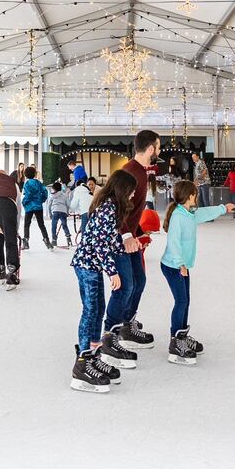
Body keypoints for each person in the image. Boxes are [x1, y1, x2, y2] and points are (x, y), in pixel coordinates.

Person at [70, 170, 138, 393]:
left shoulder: (112, 208)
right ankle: (83, 363)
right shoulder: (107, 208)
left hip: (92, 266)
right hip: (87, 265)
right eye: (130, 191)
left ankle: (93, 354)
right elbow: (100, 245)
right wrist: (113, 272)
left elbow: (110, 241)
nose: (133, 195)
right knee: (91, 310)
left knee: (98, 310)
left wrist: (129, 245)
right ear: (122, 189)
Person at [161, 180, 235, 365]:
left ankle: (182, 336)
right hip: (173, 266)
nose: (197, 196)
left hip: (181, 265)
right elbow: (174, 242)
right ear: (189, 196)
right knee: (181, 301)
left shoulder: (189, 213)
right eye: (195, 193)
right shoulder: (178, 216)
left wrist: (223, 208)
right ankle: (175, 343)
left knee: (185, 301)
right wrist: (180, 264)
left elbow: (204, 213)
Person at [100, 129, 161, 358]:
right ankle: (110, 335)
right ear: (151, 148)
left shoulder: (142, 172)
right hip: (118, 238)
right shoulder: (130, 171)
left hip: (129, 236)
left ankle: (126, 323)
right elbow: (117, 207)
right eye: (159, 146)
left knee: (139, 280)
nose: (160, 150)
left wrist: (139, 233)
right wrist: (126, 236)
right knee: (125, 285)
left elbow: (133, 212)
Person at [22, 166, 52, 250]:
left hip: (29, 207)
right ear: (35, 174)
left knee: (27, 224)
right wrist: (41, 200)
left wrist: (24, 202)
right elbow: (45, 192)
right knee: (41, 224)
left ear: (25, 175)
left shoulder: (27, 183)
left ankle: (26, 242)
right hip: (38, 206)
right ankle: (47, 241)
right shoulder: (39, 182)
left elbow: (28, 195)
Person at [48, 181, 72, 247]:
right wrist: (67, 212)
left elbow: (49, 205)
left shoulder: (52, 195)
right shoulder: (64, 195)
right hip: (63, 211)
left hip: (55, 211)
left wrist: (50, 214)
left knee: (54, 226)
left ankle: (54, 240)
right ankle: (68, 238)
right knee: (64, 225)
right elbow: (68, 204)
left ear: (54, 189)